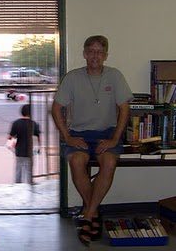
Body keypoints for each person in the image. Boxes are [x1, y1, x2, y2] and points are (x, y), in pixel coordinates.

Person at [52, 35, 133, 246]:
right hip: (79, 133)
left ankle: (87, 215)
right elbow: (56, 109)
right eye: (91, 51)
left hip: (107, 133)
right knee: (77, 161)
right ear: (85, 54)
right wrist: (67, 136)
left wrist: (115, 137)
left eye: (100, 51)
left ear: (105, 55)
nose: (95, 55)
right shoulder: (72, 77)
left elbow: (125, 109)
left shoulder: (115, 76)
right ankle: (93, 211)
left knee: (109, 162)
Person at [8, 104, 41, 184]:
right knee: (29, 171)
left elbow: (10, 137)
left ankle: (18, 185)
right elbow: (38, 139)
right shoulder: (34, 124)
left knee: (18, 170)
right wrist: (38, 149)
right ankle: (30, 184)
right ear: (30, 113)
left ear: (21, 112)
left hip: (19, 151)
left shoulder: (16, 123)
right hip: (30, 151)